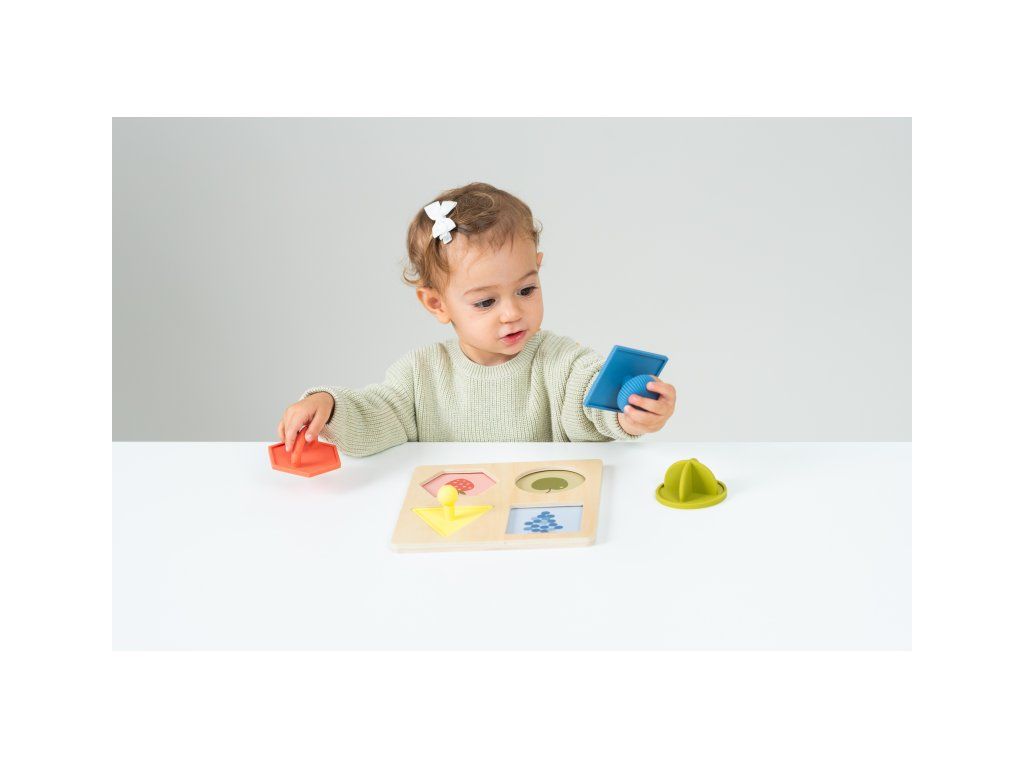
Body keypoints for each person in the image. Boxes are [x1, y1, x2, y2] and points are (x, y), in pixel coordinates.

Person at [277, 182, 677, 457]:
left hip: (538, 518)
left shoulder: (560, 362)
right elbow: (374, 416)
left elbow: (589, 400)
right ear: (437, 304)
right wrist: (329, 405)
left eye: (526, 290)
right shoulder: (421, 375)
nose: (512, 313)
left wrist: (630, 410)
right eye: (485, 302)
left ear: (538, 269)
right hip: (452, 526)